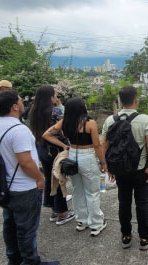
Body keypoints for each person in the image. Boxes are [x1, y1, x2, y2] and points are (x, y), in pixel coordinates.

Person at [0, 90, 59, 265]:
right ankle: (31, 261)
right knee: (27, 229)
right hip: (24, 188)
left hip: (5, 185)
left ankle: (13, 258)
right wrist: (40, 178)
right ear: (15, 107)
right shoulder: (19, 130)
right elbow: (25, 162)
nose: (23, 102)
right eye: (20, 100)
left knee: (9, 225)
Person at [101, 86, 148, 250]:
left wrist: (106, 166)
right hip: (140, 169)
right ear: (136, 100)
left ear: (120, 101)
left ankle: (126, 236)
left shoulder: (110, 120)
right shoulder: (145, 119)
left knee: (124, 202)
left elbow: (104, 145)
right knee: (142, 203)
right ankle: (145, 238)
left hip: (120, 170)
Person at [43, 98, 107, 236]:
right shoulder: (90, 123)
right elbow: (97, 145)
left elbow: (46, 134)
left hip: (72, 156)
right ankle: (96, 224)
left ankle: (82, 221)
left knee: (78, 190)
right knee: (92, 192)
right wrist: (103, 163)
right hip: (88, 156)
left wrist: (63, 145)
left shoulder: (65, 122)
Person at [29, 85, 74, 225]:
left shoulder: (33, 111)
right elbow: (67, 121)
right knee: (59, 179)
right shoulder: (55, 111)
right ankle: (62, 213)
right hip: (54, 149)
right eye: (54, 95)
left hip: (41, 148)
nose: (56, 97)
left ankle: (53, 210)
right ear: (50, 97)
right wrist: (60, 105)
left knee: (49, 177)